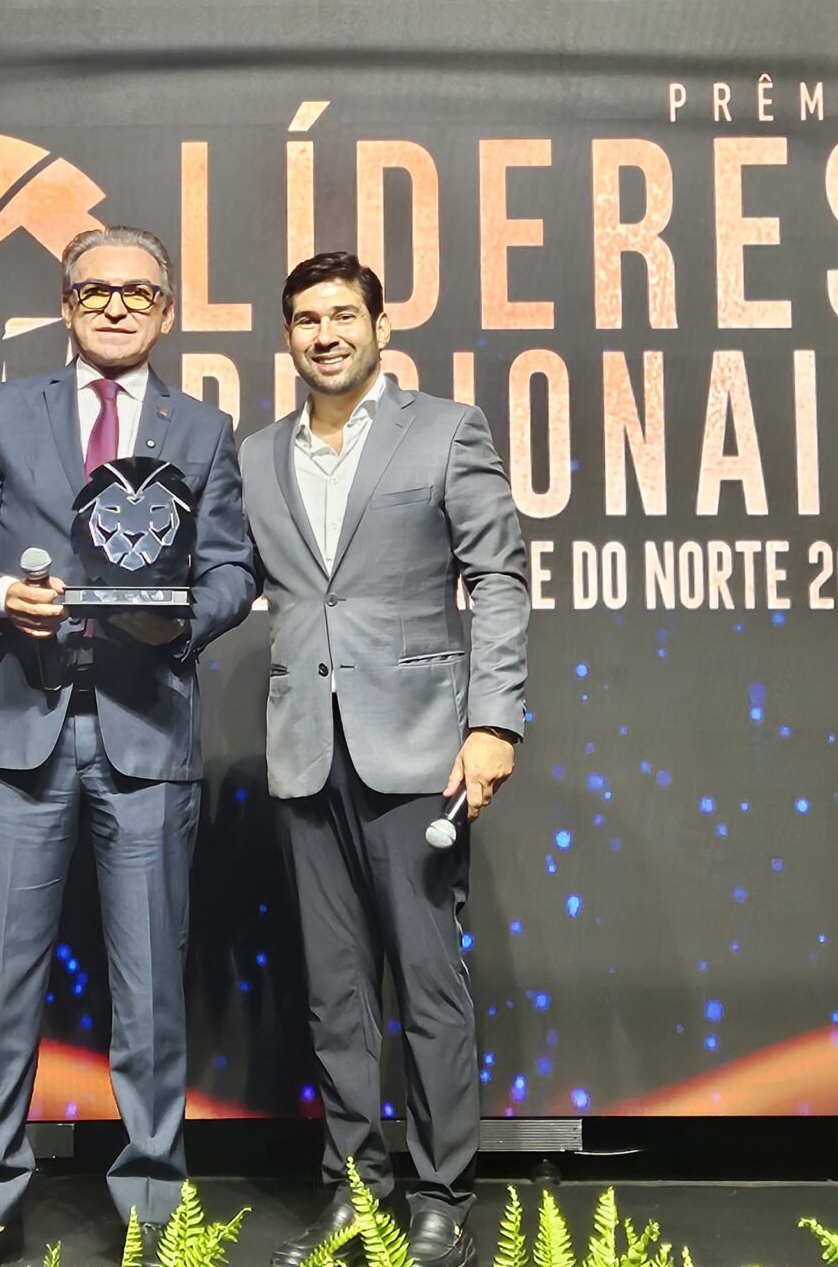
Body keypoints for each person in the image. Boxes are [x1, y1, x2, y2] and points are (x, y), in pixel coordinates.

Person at [0, 225, 258, 1267]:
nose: (117, 307)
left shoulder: (202, 429)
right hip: (18, 728)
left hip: (145, 733)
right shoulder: (4, 410)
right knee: (1, 981)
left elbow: (233, 570)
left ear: (167, 310)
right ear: (65, 305)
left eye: (138, 292)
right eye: (96, 291)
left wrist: (180, 622)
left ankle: (153, 1204)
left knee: (151, 986)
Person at [240, 252, 531, 1267]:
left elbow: (498, 578)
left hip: (418, 752)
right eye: (305, 319)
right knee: (335, 995)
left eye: (342, 315)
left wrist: (493, 723)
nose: (325, 334)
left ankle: (442, 1197)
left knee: (428, 984)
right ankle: (355, 1190)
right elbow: (230, 579)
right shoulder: (256, 456)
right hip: (303, 753)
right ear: (288, 336)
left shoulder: (446, 431)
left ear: (379, 327)